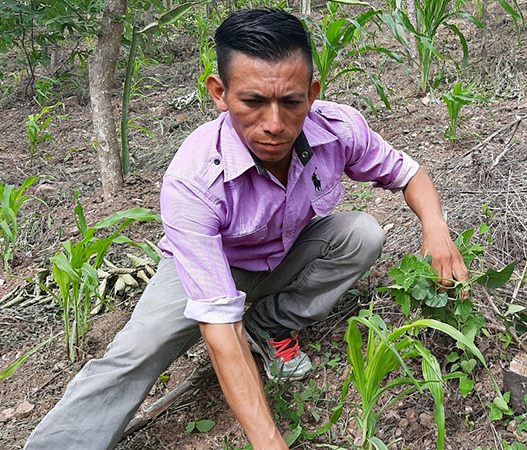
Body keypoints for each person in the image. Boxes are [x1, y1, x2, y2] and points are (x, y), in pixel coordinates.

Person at [25, 8, 468, 450]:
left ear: (312, 93)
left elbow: (409, 174)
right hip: (203, 267)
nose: (274, 124)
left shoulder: (337, 128)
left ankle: (270, 324)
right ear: (220, 93)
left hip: (282, 254)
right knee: (135, 355)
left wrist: (437, 229)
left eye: (291, 102)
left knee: (363, 234)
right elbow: (219, 325)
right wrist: (269, 440)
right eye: (253, 102)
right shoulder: (195, 179)